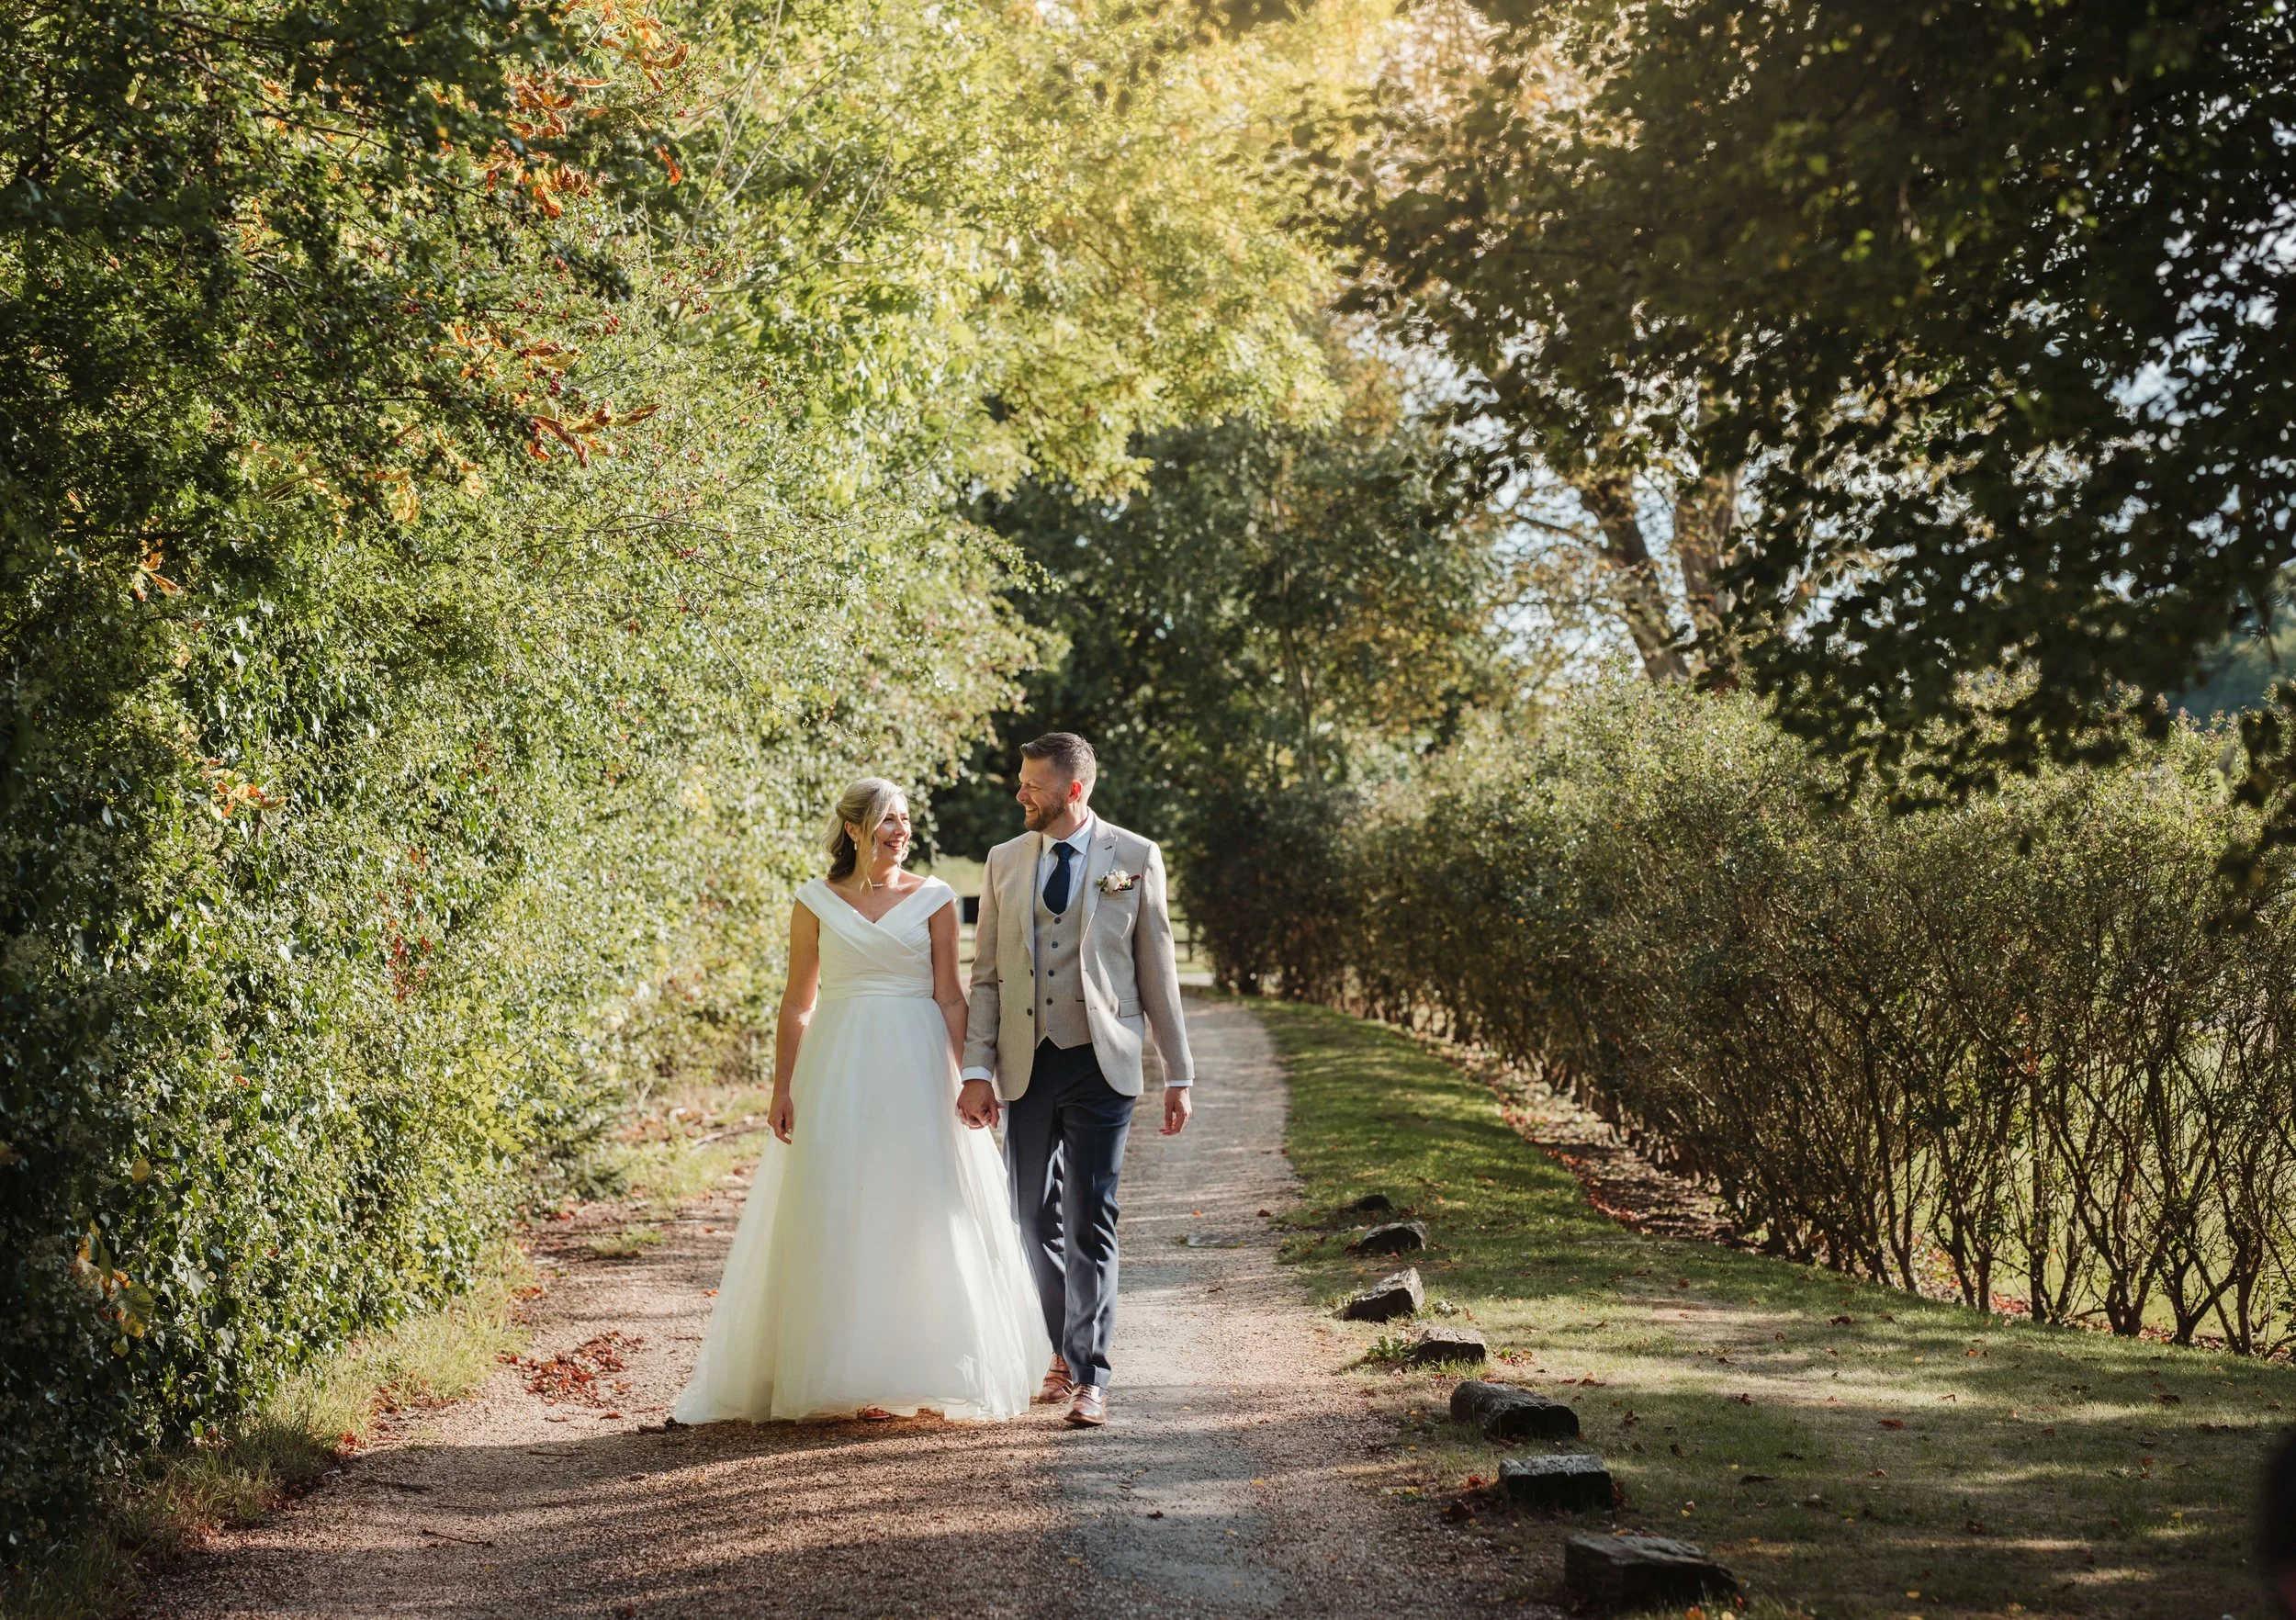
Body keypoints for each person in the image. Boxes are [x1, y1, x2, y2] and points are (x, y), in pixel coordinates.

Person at [672, 780, 1050, 1423]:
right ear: (853, 829)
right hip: (838, 1061)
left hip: (917, 1059)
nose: (899, 831)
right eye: (885, 821)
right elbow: (798, 1002)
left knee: (920, 1201)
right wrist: (781, 1087)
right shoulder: (814, 900)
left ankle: (925, 1362)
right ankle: (832, 1366)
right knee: (836, 1200)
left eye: (904, 820)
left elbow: (951, 995)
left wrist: (971, 1077)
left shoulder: (932, 897)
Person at [959, 732, 1195, 1428]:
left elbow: (1158, 972)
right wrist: (976, 1068)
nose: (1020, 793)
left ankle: (1089, 1372)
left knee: (1091, 1218)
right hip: (1026, 1062)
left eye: (1032, 783)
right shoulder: (1004, 861)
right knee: (1029, 1215)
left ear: (1075, 790)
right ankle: (1062, 1347)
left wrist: (1178, 1071)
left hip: (1103, 1060)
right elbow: (987, 976)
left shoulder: (1134, 856)